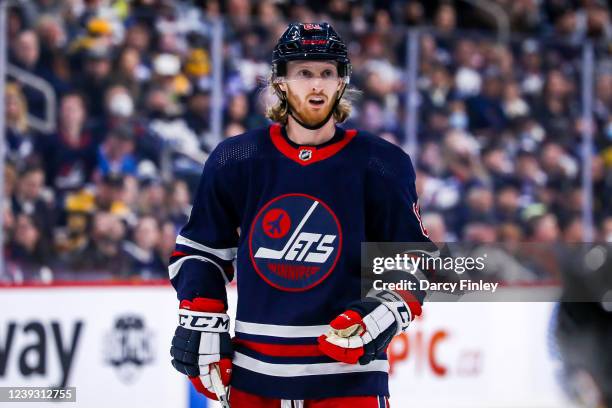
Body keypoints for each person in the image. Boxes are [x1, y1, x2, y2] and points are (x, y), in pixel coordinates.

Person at [169, 23, 433, 407]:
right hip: (253, 378)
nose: (317, 85)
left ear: (342, 82)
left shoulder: (381, 164)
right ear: (280, 82)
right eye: (304, 73)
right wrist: (202, 311)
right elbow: (201, 249)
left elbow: (415, 259)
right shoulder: (236, 159)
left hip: (347, 379)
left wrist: (389, 308)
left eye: (327, 73)